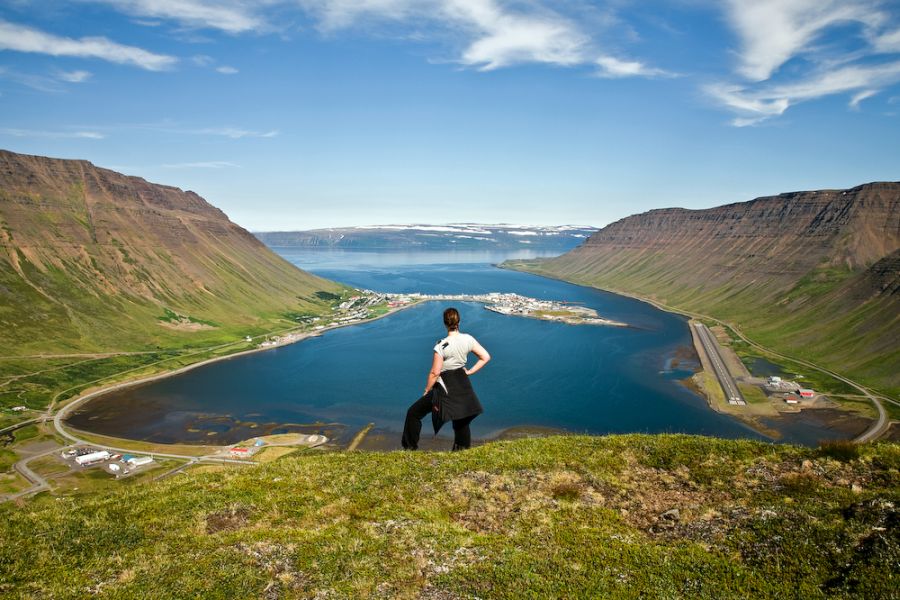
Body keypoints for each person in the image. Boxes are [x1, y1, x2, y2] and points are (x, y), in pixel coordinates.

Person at [401, 307, 491, 451]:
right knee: (462, 419)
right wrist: (470, 371)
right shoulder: (468, 339)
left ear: (445, 324)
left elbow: (435, 372)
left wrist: (427, 389)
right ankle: (462, 452)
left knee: (413, 412)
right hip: (462, 381)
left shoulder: (441, 345)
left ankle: (410, 447)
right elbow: (485, 357)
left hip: (444, 385)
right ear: (459, 322)